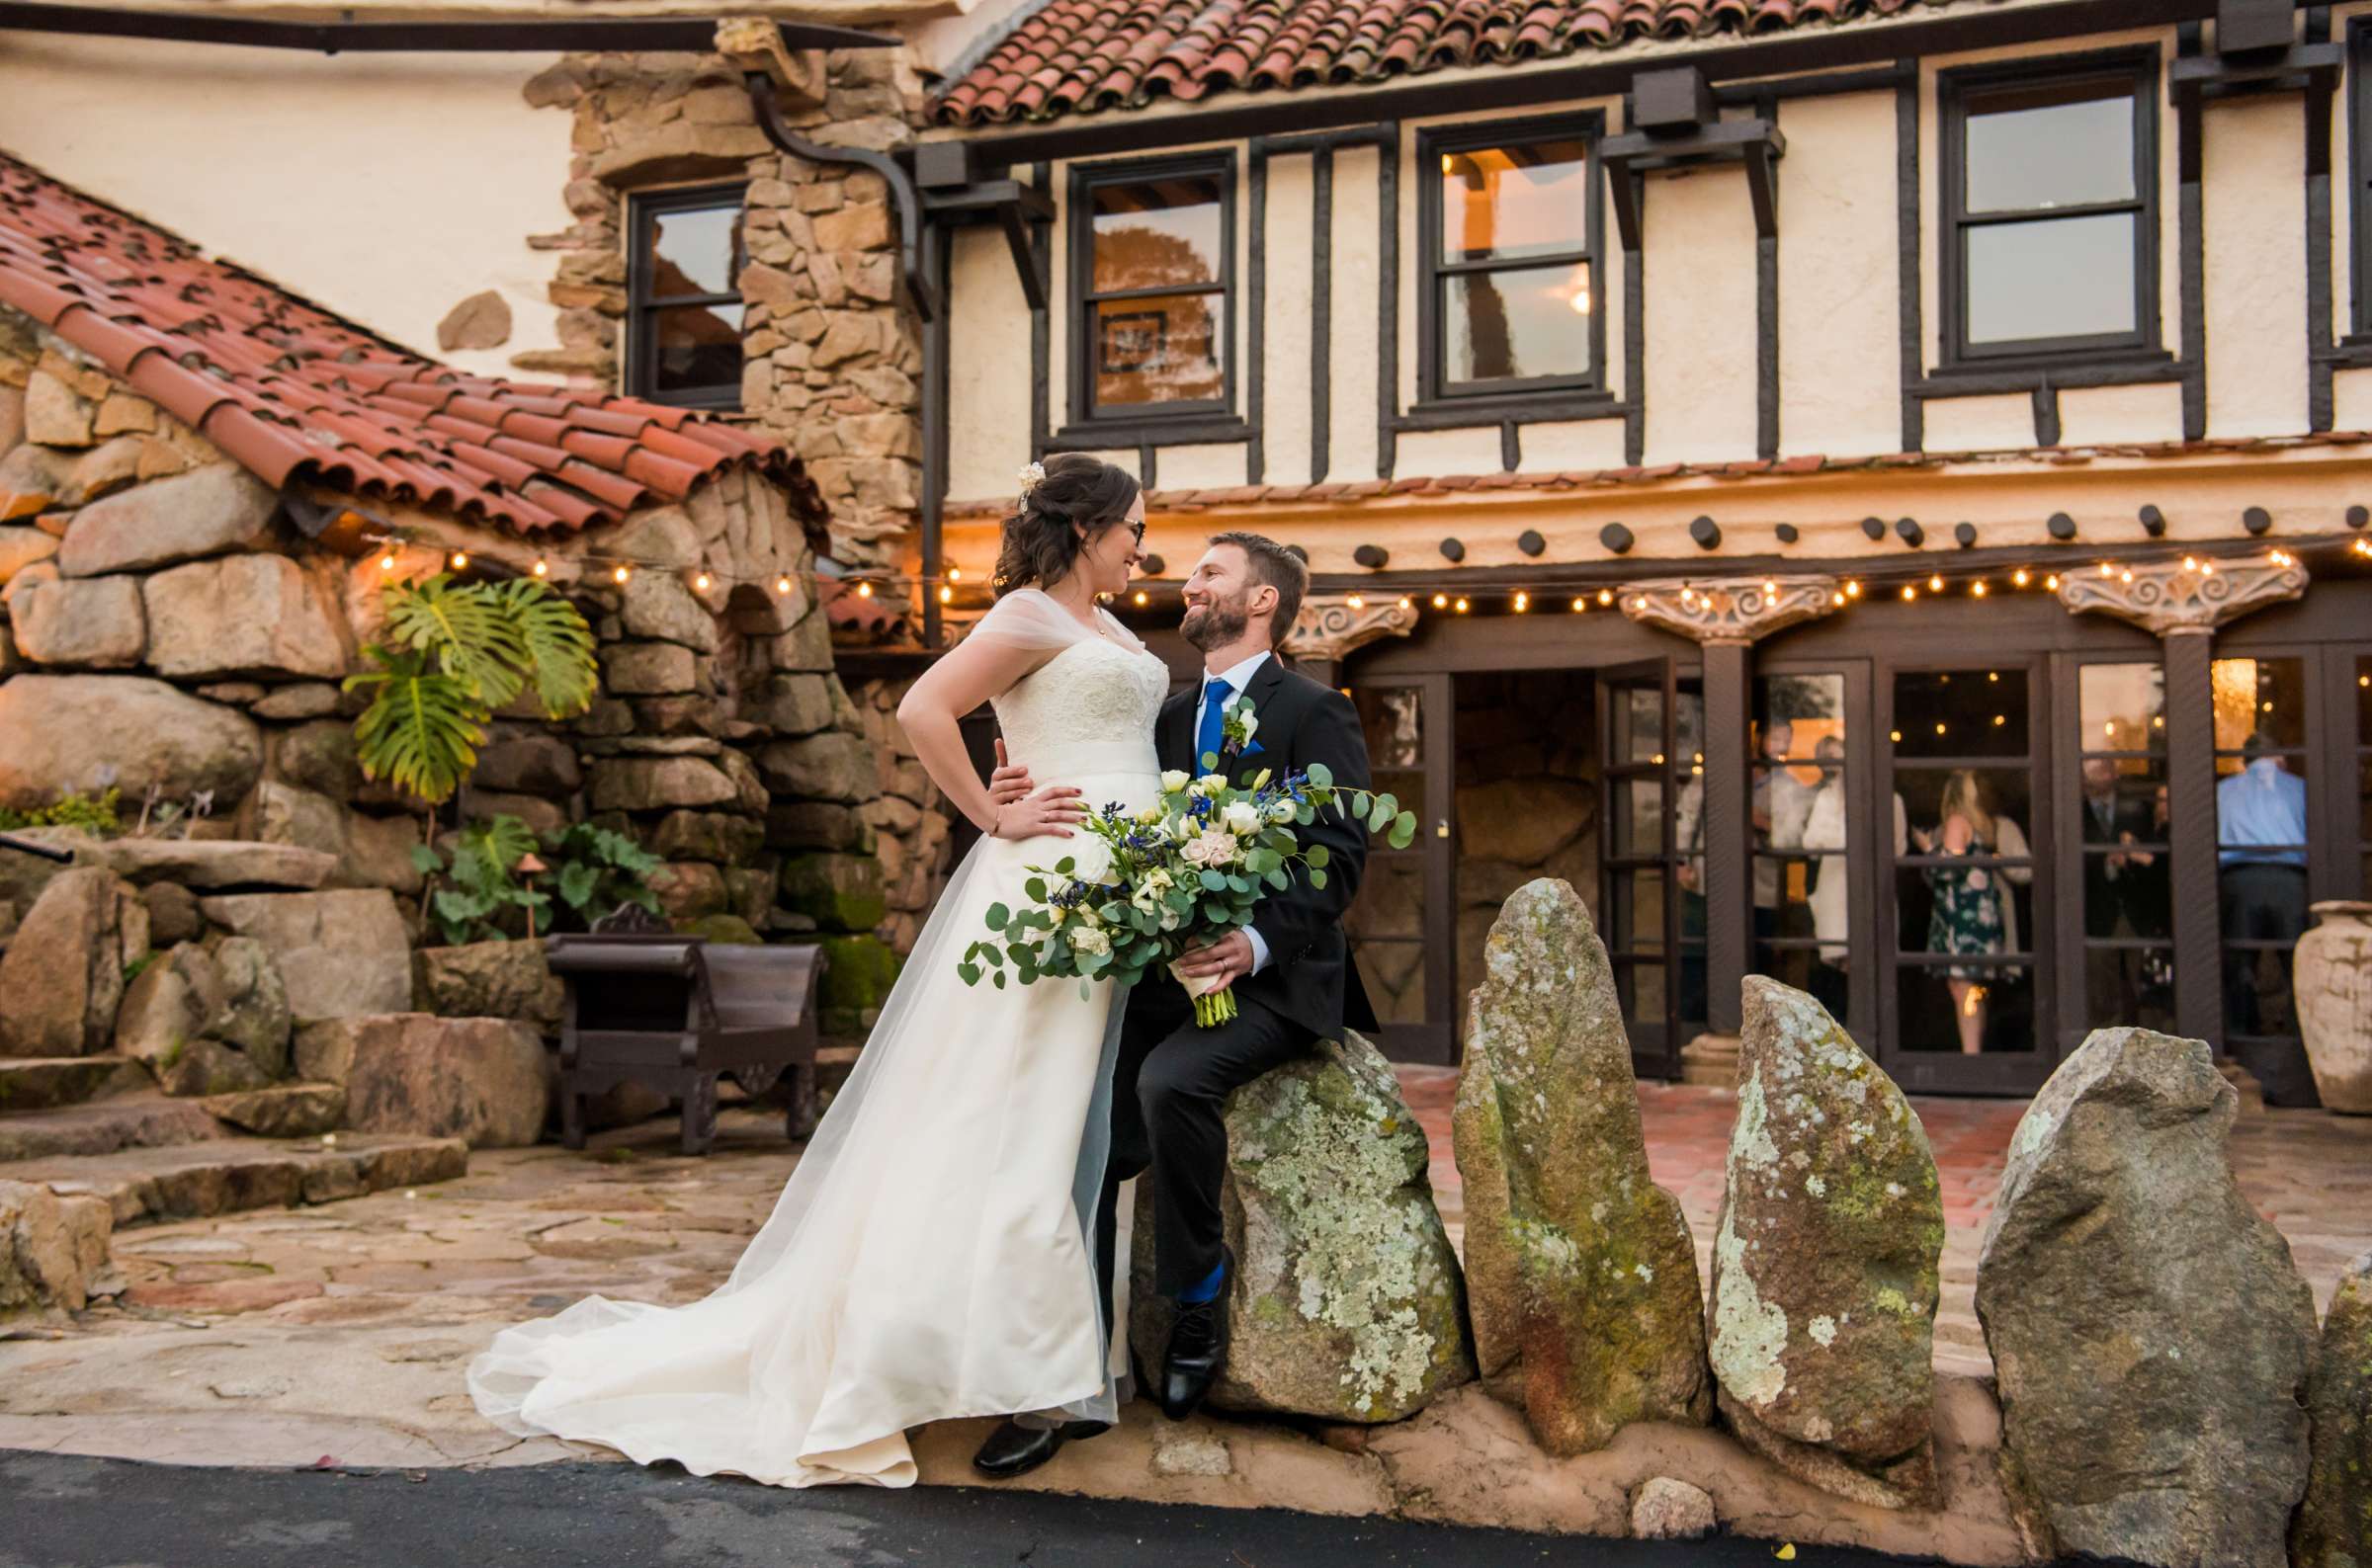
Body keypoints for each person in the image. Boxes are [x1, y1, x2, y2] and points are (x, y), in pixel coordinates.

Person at [466, 454, 1170, 1487]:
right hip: (1051, 891)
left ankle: (1037, 1352)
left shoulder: (1106, 627)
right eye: (1131, 531)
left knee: (1066, 1125)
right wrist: (994, 812)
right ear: (1084, 530)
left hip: (1119, 894)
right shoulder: (1026, 616)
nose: (1140, 549)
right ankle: (992, 1363)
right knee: (1017, 1117)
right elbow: (924, 712)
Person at [969, 531, 1378, 1478]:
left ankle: (1197, 1300)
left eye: (1209, 574)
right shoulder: (1167, 713)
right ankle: (1071, 1367)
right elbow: (1106, 802)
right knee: (1081, 1129)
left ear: (1262, 601)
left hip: (1274, 983)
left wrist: (1256, 942)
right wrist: (1011, 786)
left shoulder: (1316, 710)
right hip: (1161, 976)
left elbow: (1344, 853)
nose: (1187, 584)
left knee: (1168, 1085)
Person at [2216, 731, 2316, 1107]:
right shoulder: (2298, 786)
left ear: (2245, 760)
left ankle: (2241, 1036)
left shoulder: (2225, 789)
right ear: (2279, 756)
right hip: (2290, 878)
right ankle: (2298, 1035)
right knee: (2298, 964)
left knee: (2240, 962)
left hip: (2240, 877)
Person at [1913, 770, 2030, 1055]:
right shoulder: (1984, 825)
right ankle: (1974, 1053)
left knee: (1963, 988)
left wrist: (1927, 848)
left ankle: (1970, 1055)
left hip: (1962, 919)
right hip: (1981, 916)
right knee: (1974, 989)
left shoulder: (1955, 822)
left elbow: (1948, 871)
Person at [2077, 757, 2157, 1022]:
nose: (2093, 778)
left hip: (2136, 910)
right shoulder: (2075, 813)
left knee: (2141, 987)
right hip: (2096, 912)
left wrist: (2131, 858)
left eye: (2099, 770)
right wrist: (2104, 860)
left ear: (2113, 774)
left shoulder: (2136, 810)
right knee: (2100, 990)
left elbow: (2155, 859)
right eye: (2088, 773)